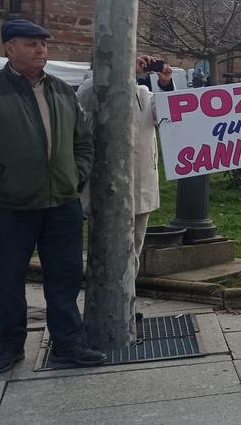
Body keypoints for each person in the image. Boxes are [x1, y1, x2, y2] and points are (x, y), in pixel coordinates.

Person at [0, 19, 106, 373]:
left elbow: (83, 142)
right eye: (31, 44)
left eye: (43, 44)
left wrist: (76, 175)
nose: (41, 50)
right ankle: (10, 347)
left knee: (65, 278)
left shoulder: (61, 90)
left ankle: (68, 345)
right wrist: (3, 180)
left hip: (62, 205)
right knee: (9, 281)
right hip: (12, 207)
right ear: (9, 48)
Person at [75, 55, 172, 314]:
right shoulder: (94, 86)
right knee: (103, 246)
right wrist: (119, 69)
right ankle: (99, 302)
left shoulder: (144, 93)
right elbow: (83, 99)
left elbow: (167, 115)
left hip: (141, 186)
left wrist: (164, 83)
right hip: (107, 186)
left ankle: (126, 301)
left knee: (133, 249)